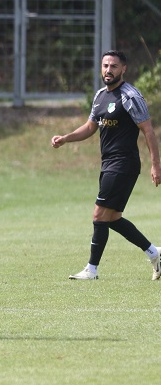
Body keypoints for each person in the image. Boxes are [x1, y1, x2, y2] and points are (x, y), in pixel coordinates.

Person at [51, 49, 161, 280]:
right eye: (105, 66)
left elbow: (148, 131)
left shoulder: (130, 96)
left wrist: (156, 165)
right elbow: (90, 127)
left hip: (124, 164)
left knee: (99, 214)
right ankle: (154, 253)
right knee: (112, 218)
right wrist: (66, 138)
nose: (108, 70)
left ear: (123, 69)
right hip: (109, 164)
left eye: (113, 66)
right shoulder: (100, 95)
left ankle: (91, 269)